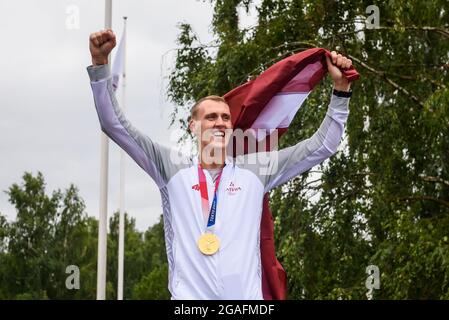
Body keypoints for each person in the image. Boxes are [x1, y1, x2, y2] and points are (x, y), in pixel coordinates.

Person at [87, 29, 353, 300]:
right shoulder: (170, 167)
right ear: (193, 126)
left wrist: (340, 93)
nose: (220, 123)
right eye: (211, 117)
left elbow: (321, 146)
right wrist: (100, 66)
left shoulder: (256, 170)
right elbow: (114, 124)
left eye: (225, 118)